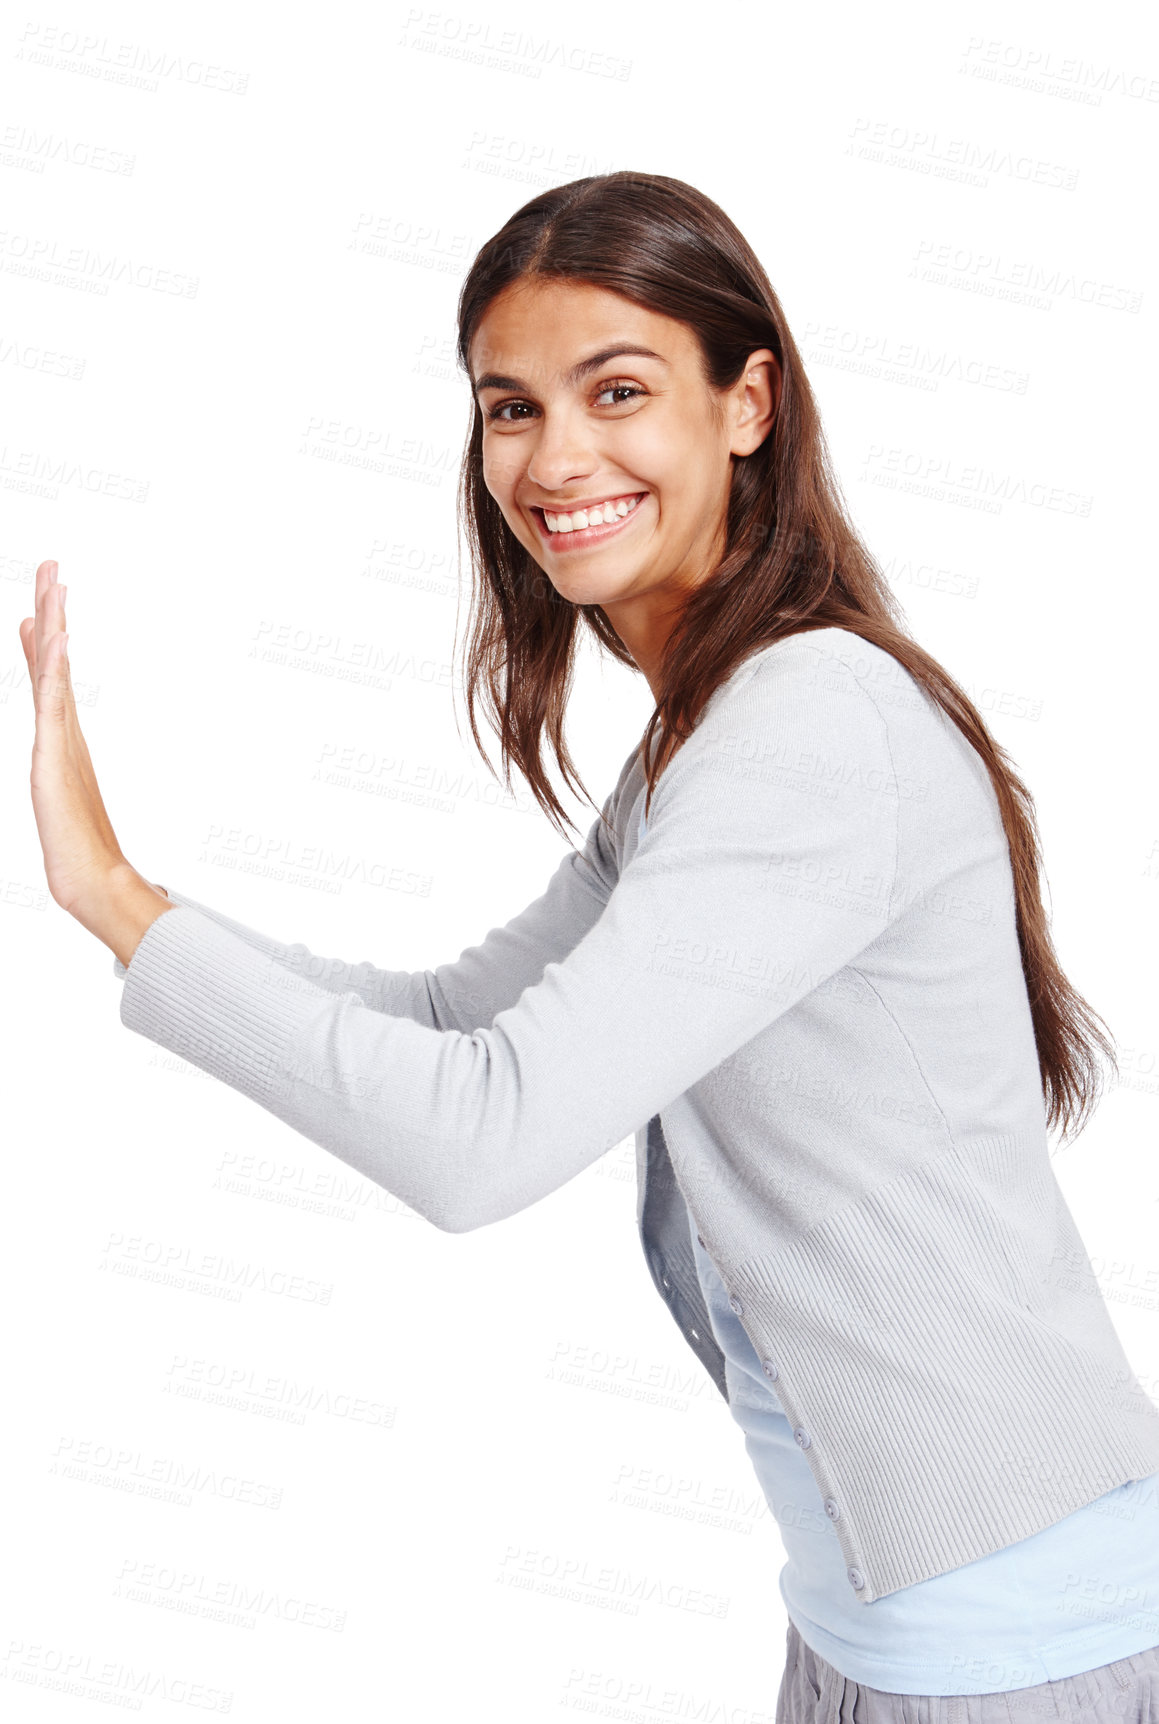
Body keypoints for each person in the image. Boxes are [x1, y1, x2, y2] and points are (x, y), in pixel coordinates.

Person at [21, 171, 1159, 1721]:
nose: (555, 459)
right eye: (509, 408)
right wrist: (129, 894)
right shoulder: (707, 739)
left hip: (1017, 1653)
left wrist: (109, 897)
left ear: (746, 402)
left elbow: (480, 1137)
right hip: (874, 1629)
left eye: (615, 391)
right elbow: (449, 1021)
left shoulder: (813, 726)